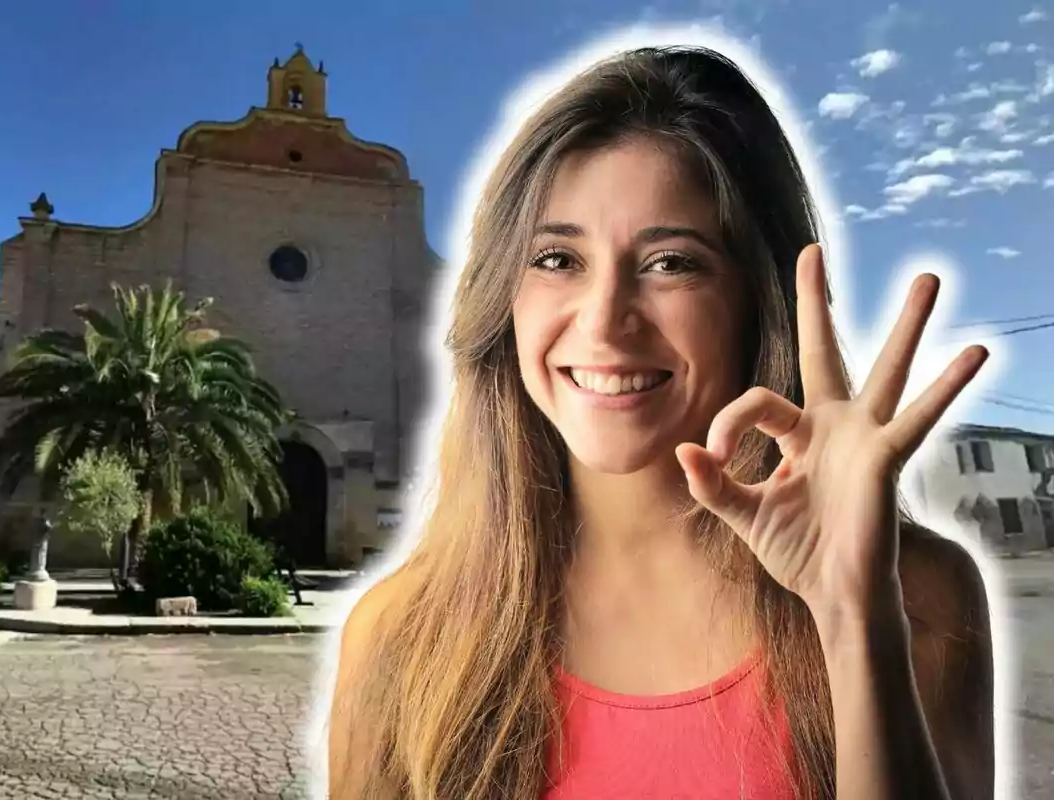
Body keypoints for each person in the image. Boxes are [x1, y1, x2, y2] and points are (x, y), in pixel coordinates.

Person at [327, 45, 995, 800]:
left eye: (671, 262)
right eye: (556, 259)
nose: (606, 323)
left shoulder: (917, 595)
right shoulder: (395, 637)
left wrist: (853, 619)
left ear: (756, 303)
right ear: (501, 301)